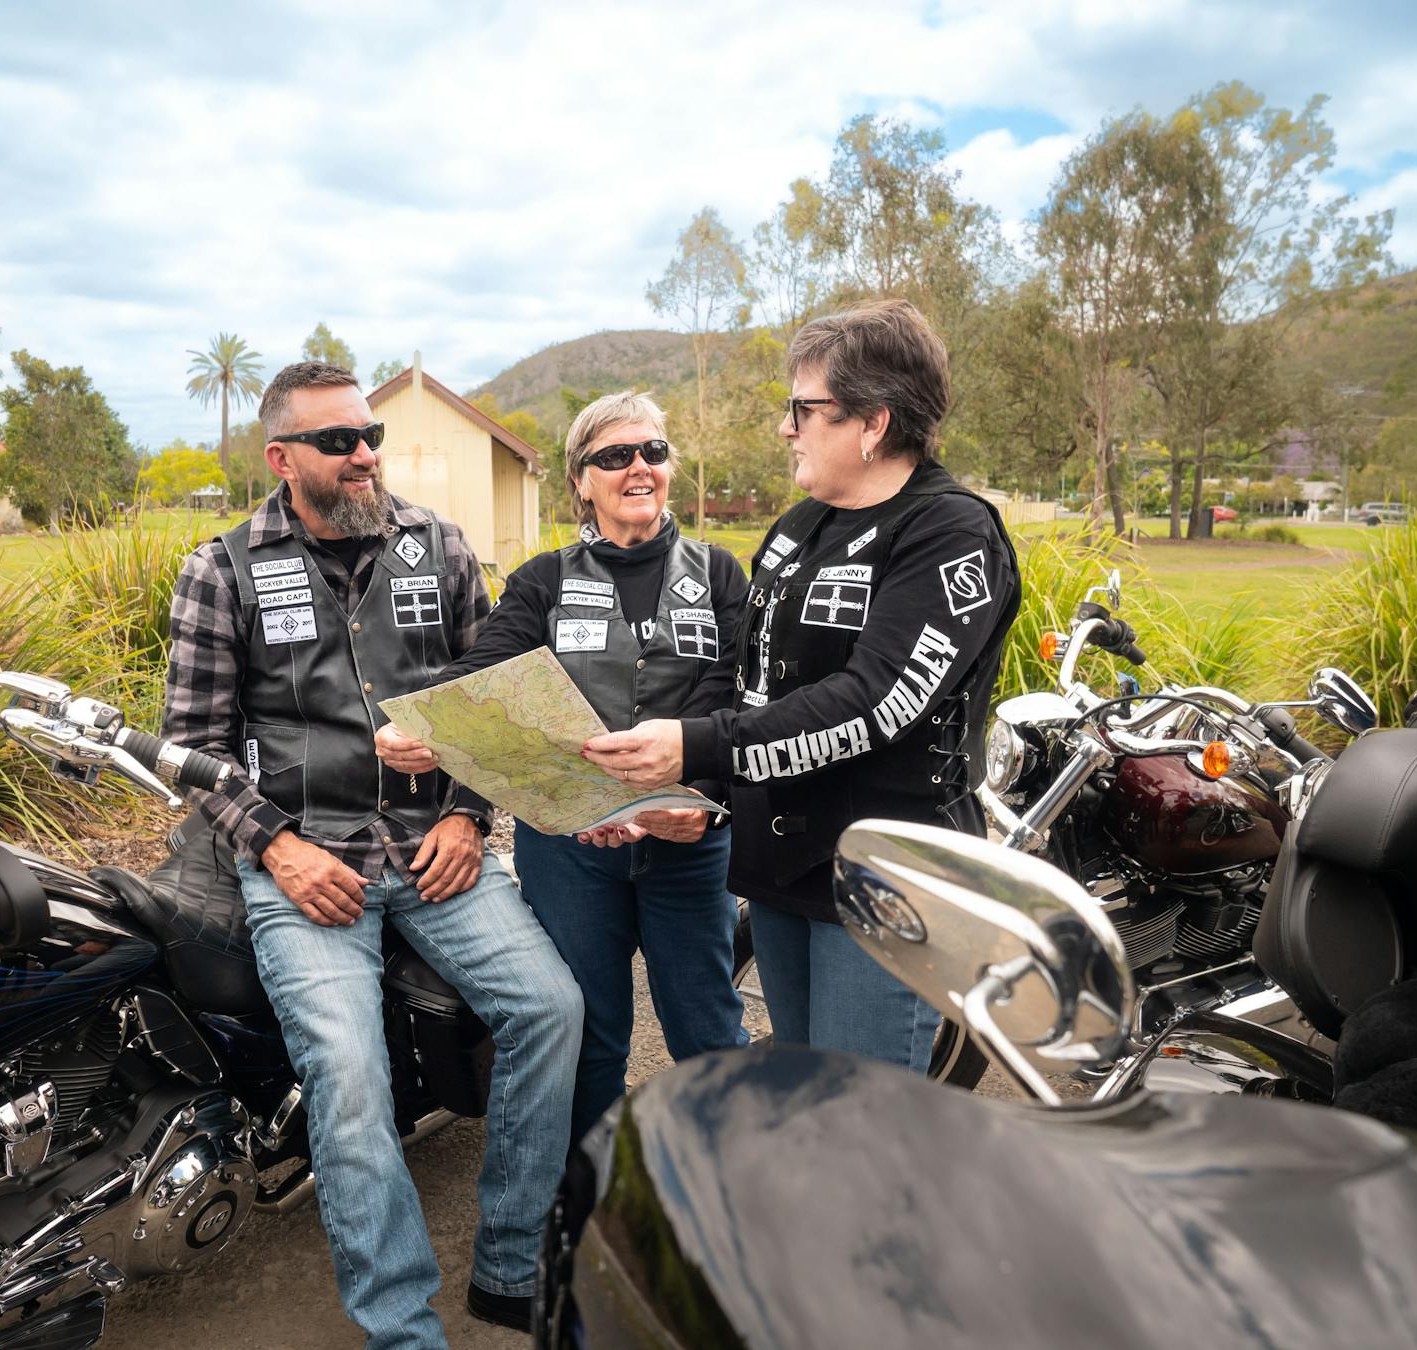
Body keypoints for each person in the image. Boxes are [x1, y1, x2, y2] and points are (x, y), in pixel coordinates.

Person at [162, 360, 583, 1348]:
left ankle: (513, 1264)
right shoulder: (221, 569)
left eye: (371, 437)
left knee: (553, 1011)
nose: (364, 455)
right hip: (311, 872)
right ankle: (402, 1326)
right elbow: (193, 751)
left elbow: (492, 705)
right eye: (338, 441)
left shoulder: (436, 547)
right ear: (281, 458)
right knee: (348, 1078)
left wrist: (469, 815)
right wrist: (281, 851)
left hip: (437, 855)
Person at [582, 300, 1021, 1071]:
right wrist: (687, 790)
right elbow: (743, 676)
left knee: (864, 1124)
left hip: (886, 878)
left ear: (872, 423)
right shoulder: (796, 528)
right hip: (783, 867)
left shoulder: (950, 532)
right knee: (807, 1089)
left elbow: (877, 702)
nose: (788, 428)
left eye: (803, 409)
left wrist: (692, 746)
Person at [377, 391, 749, 1145]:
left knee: (705, 1031)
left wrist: (703, 799)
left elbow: (736, 700)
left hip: (685, 842)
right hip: (572, 851)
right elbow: (479, 677)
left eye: (652, 451)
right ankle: (591, 1205)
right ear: (582, 481)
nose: (638, 466)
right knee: (593, 1036)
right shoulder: (542, 581)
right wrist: (420, 729)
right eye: (615, 456)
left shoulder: (718, 574)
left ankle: (733, 1198)